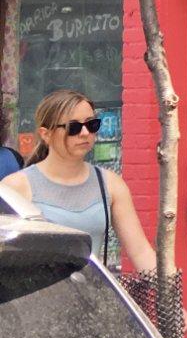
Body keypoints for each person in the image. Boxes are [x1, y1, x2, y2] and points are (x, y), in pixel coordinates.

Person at [2, 90, 156, 275]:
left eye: (92, 124)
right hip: (35, 298)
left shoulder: (110, 184)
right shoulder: (16, 187)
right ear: (46, 134)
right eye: (73, 127)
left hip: (92, 299)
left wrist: (170, 294)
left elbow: (140, 251)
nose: (85, 133)